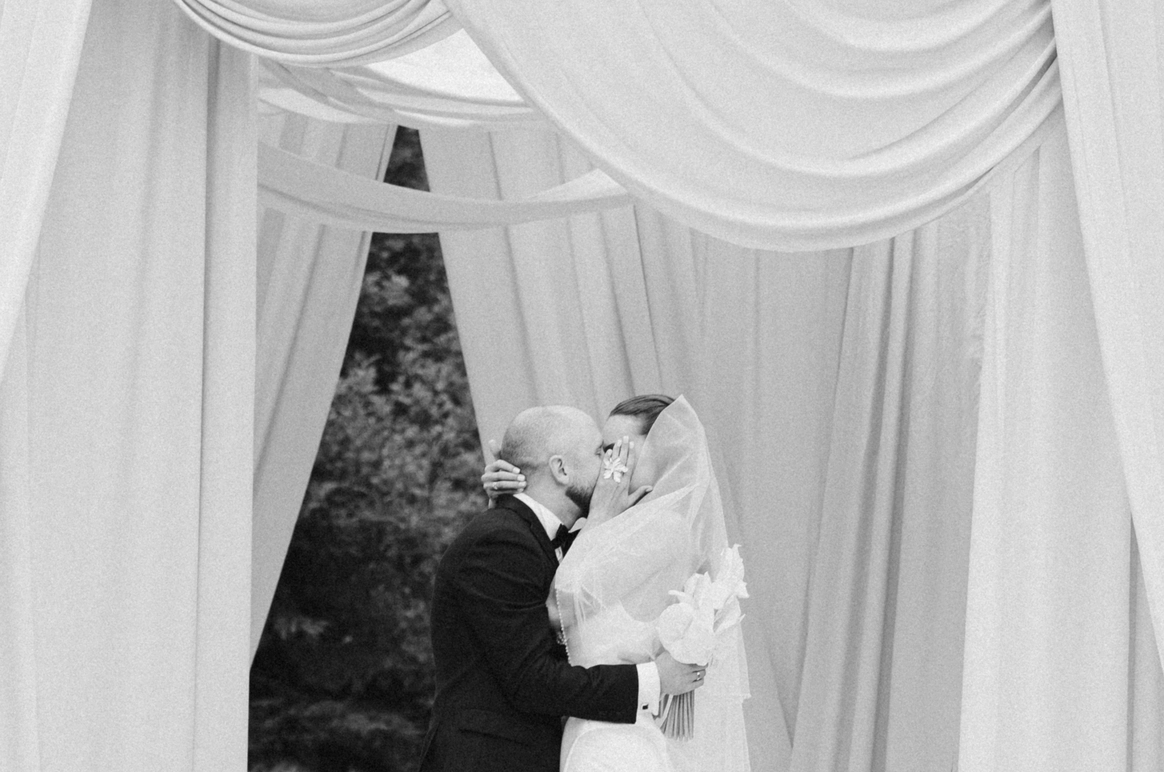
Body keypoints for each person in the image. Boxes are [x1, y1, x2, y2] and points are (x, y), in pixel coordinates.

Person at [417, 405, 707, 772]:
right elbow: (532, 680)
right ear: (561, 470)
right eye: (602, 453)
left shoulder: (560, 543)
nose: (611, 469)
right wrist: (655, 678)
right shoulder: (499, 541)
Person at [483, 396, 751, 772]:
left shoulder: (664, 530)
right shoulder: (619, 534)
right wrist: (516, 500)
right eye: (603, 453)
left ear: (664, 450)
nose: (608, 466)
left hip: (614, 739)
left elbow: (556, 610)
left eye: (616, 450)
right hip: (598, 729)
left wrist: (599, 514)